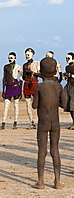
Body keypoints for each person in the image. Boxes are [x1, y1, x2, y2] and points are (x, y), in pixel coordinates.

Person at [32, 57, 65, 190]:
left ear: (41, 71)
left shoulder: (39, 87)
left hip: (43, 123)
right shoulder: (58, 86)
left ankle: (40, 181)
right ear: (55, 71)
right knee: (55, 150)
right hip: (55, 123)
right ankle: (57, 181)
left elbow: (35, 105)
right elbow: (63, 104)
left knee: (42, 151)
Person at [0, 52, 23, 130]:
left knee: (16, 105)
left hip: (16, 87)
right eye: (9, 58)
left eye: (11, 58)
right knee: (6, 106)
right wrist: (3, 90)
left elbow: (21, 79)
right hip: (8, 87)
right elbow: (4, 78)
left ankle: (15, 123)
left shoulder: (18, 67)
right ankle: (3, 123)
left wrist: (20, 91)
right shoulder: (6, 67)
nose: (10, 59)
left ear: (15, 58)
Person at [22, 48, 39, 129]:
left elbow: (40, 74)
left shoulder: (36, 64)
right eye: (26, 54)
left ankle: (40, 121)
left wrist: (32, 72)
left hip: (34, 83)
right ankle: (32, 122)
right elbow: (23, 77)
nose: (27, 56)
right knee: (28, 104)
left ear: (33, 55)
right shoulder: (24, 65)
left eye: (28, 54)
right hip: (27, 84)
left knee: (38, 103)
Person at [63, 52, 74, 129]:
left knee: (72, 105)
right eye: (66, 58)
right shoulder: (67, 67)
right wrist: (65, 77)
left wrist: (70, 75)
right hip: (68, 85)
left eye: (68, 58)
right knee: (68, 104)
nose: (67, 60)